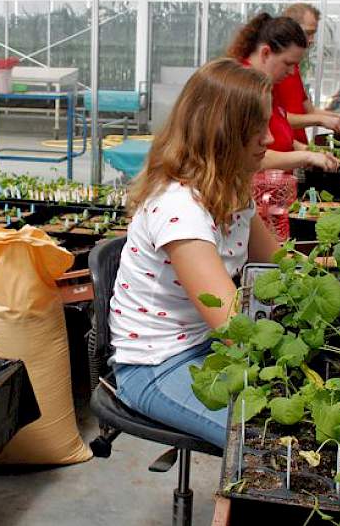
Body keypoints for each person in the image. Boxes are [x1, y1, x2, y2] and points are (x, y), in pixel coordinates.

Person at [108, 58, 282, 448]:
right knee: (260, 441)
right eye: (257, 130)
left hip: (206, 348)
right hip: (157, 365)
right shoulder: (180, 209)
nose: (269, 139)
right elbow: (233, 326)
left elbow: (281, 265)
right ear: (222, 134)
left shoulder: (232, 192)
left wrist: (337, 278)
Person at [227, 12, 340, 173]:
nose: (292, 72)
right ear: (265, 53)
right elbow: (248, 155)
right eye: (287, 63)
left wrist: (306, 149)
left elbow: (280, 131)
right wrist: (306, 157)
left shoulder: (269, 85)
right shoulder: (240, 89)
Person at [280, 2, 340, 144]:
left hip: (297, 150)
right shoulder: (275, 71)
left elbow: (309, 110)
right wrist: (322, 120)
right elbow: (276, 118)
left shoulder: (293, 68)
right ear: (289, 28)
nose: (311, 40)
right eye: (308, 33)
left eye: (313, 34)